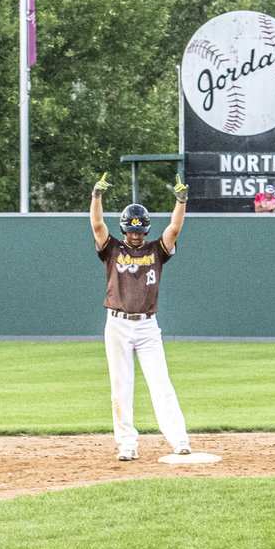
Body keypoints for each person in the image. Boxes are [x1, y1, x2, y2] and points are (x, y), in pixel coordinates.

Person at [90, 173, 192, 461]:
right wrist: (96, 197)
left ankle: (179, 439)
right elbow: (97, 225)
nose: (135, 235)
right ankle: (127, 444)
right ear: (125, 229)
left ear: (146, 231)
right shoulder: (112, 248)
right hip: (117, 323)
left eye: (140, 231)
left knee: (161, 382)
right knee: (120, 385)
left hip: (147, 326)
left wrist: (180, 201)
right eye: (132, 231)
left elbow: (174, 228)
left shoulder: (155, 250)